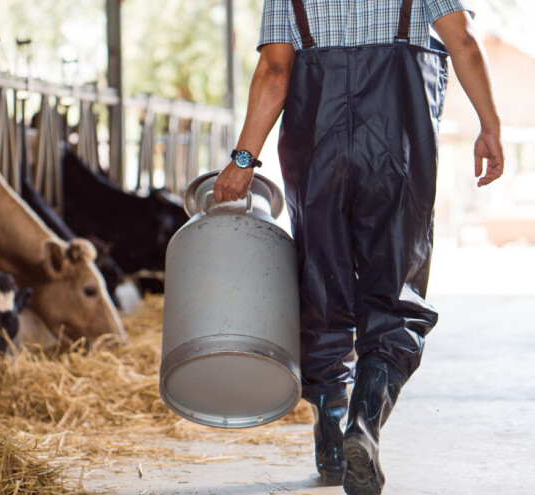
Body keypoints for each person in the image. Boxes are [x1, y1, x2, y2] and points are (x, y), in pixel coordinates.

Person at [213, 1, 503, 493]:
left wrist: (243, 159)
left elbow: (276, 70)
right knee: (393, 295)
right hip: (399, 145)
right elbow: (464, 43)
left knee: (321, 287)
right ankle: (363, 429)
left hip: (315, 147)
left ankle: (331, 440)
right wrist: (490, 127)